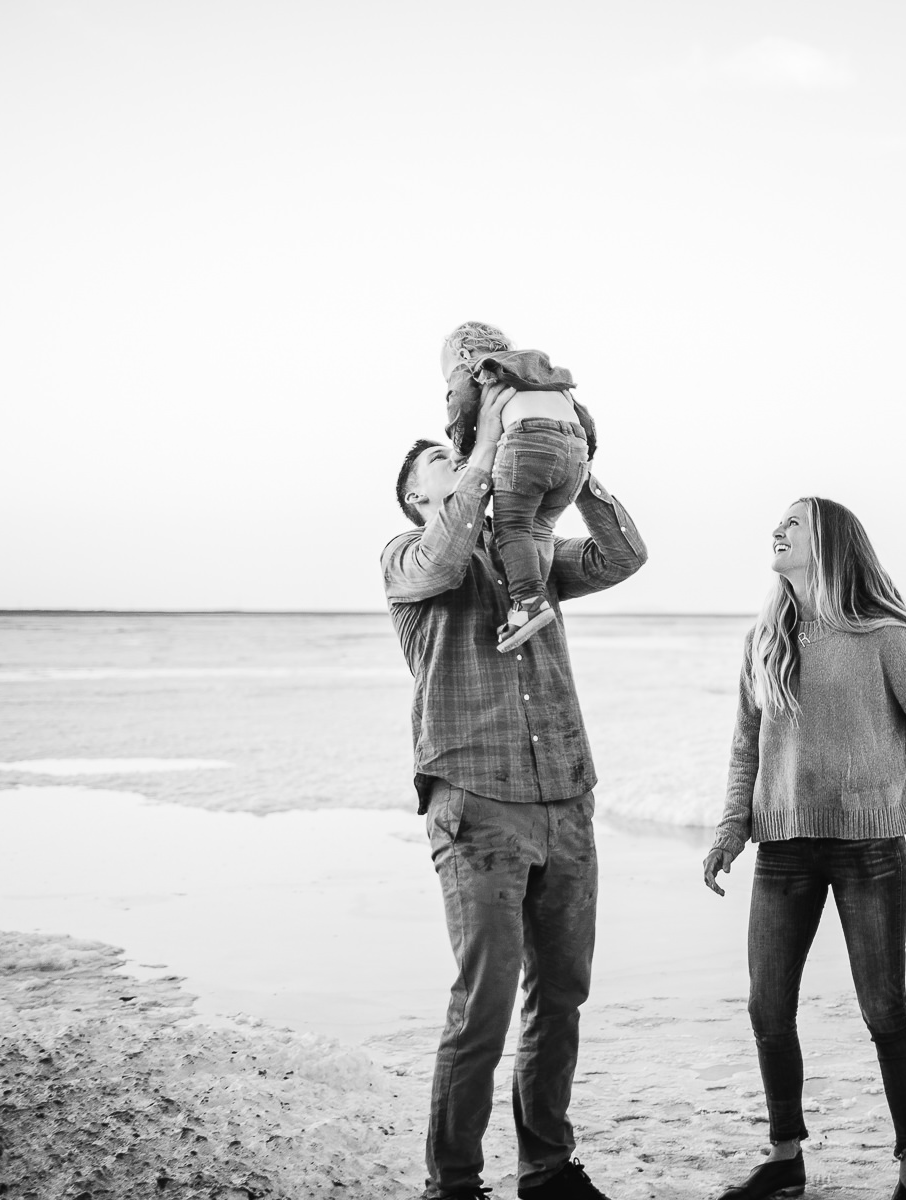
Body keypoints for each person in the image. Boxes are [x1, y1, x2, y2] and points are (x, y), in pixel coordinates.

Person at [702, 496, 906, 1200]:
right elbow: (743, 748)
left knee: (883, 1011)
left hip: (870, 851)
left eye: (794, 521)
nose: (778, 528)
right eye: (778, 521)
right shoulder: (765, 637)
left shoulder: (884, 638)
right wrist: (731, 829)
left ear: (829, 542)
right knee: (767, 1009)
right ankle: (785, 1158)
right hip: (783, 849)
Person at [383, 379, 648, 1200]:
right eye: (439, 460)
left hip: (566, 794)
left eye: (455, 450)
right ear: (413, 494)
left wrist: (584, 467)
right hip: (477, 796)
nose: (455, 457)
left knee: (561, 994)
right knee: (485, 1003)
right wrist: (487, 455)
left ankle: (548, 1168)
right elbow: (446, 555)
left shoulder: (525, 551)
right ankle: (454, 1182)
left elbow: (621, 556)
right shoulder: (407, 557)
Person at [440, 320, 599, 653]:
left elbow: (463, 404)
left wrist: (461, 447)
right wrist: (586, 458)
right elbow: (586, 419)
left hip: (529, 443)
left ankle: (528, 600)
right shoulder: (543, 373)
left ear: (463, 352)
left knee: (511, 527)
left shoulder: (475, 366)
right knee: (538, 528)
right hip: (576, 451)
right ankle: (533, 601)